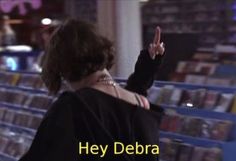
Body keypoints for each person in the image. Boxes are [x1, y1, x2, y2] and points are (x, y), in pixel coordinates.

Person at [19, 19, 165, 161]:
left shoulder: (72, 108)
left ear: (64, 65)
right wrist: (147, 69)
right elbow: (116, 115)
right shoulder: (141, 106)